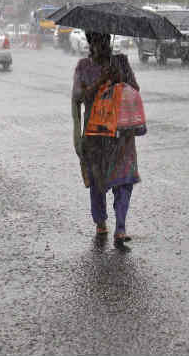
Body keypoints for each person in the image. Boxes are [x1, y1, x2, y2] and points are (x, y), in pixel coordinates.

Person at [71, 31, 140, 250]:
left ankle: (120, 228)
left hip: (120, 134)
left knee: (124, 181)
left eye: (104, 41)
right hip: (95, 135)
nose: (102, 46)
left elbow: (135, 90)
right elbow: (78, 98)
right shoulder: (83, 67)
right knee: (98, 183)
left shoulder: (121, 62)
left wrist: (119, 77)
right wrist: (100, 81)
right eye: (96, 42)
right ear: (90, 44)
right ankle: (101, 223)